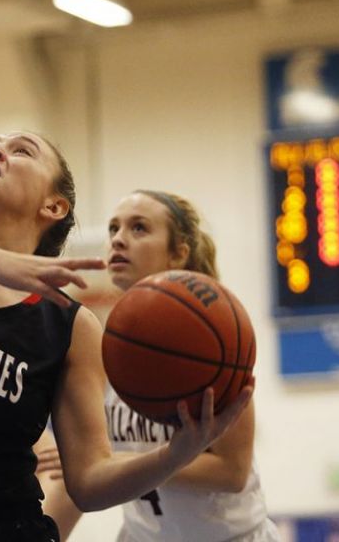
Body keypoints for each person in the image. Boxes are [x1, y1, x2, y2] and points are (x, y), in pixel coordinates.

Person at [0, 134, 254, 542]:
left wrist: (175, 454)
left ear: (54, 205)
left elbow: (89, 483)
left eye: (22, 151)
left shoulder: (72, 325)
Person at [37, 190, 279, 542]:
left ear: (178, 252)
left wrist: (116, 459)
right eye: (113, 229)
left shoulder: (212, 339)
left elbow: (232, 470)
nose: (119, 239)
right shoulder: (97, 340)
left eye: (139, 228)